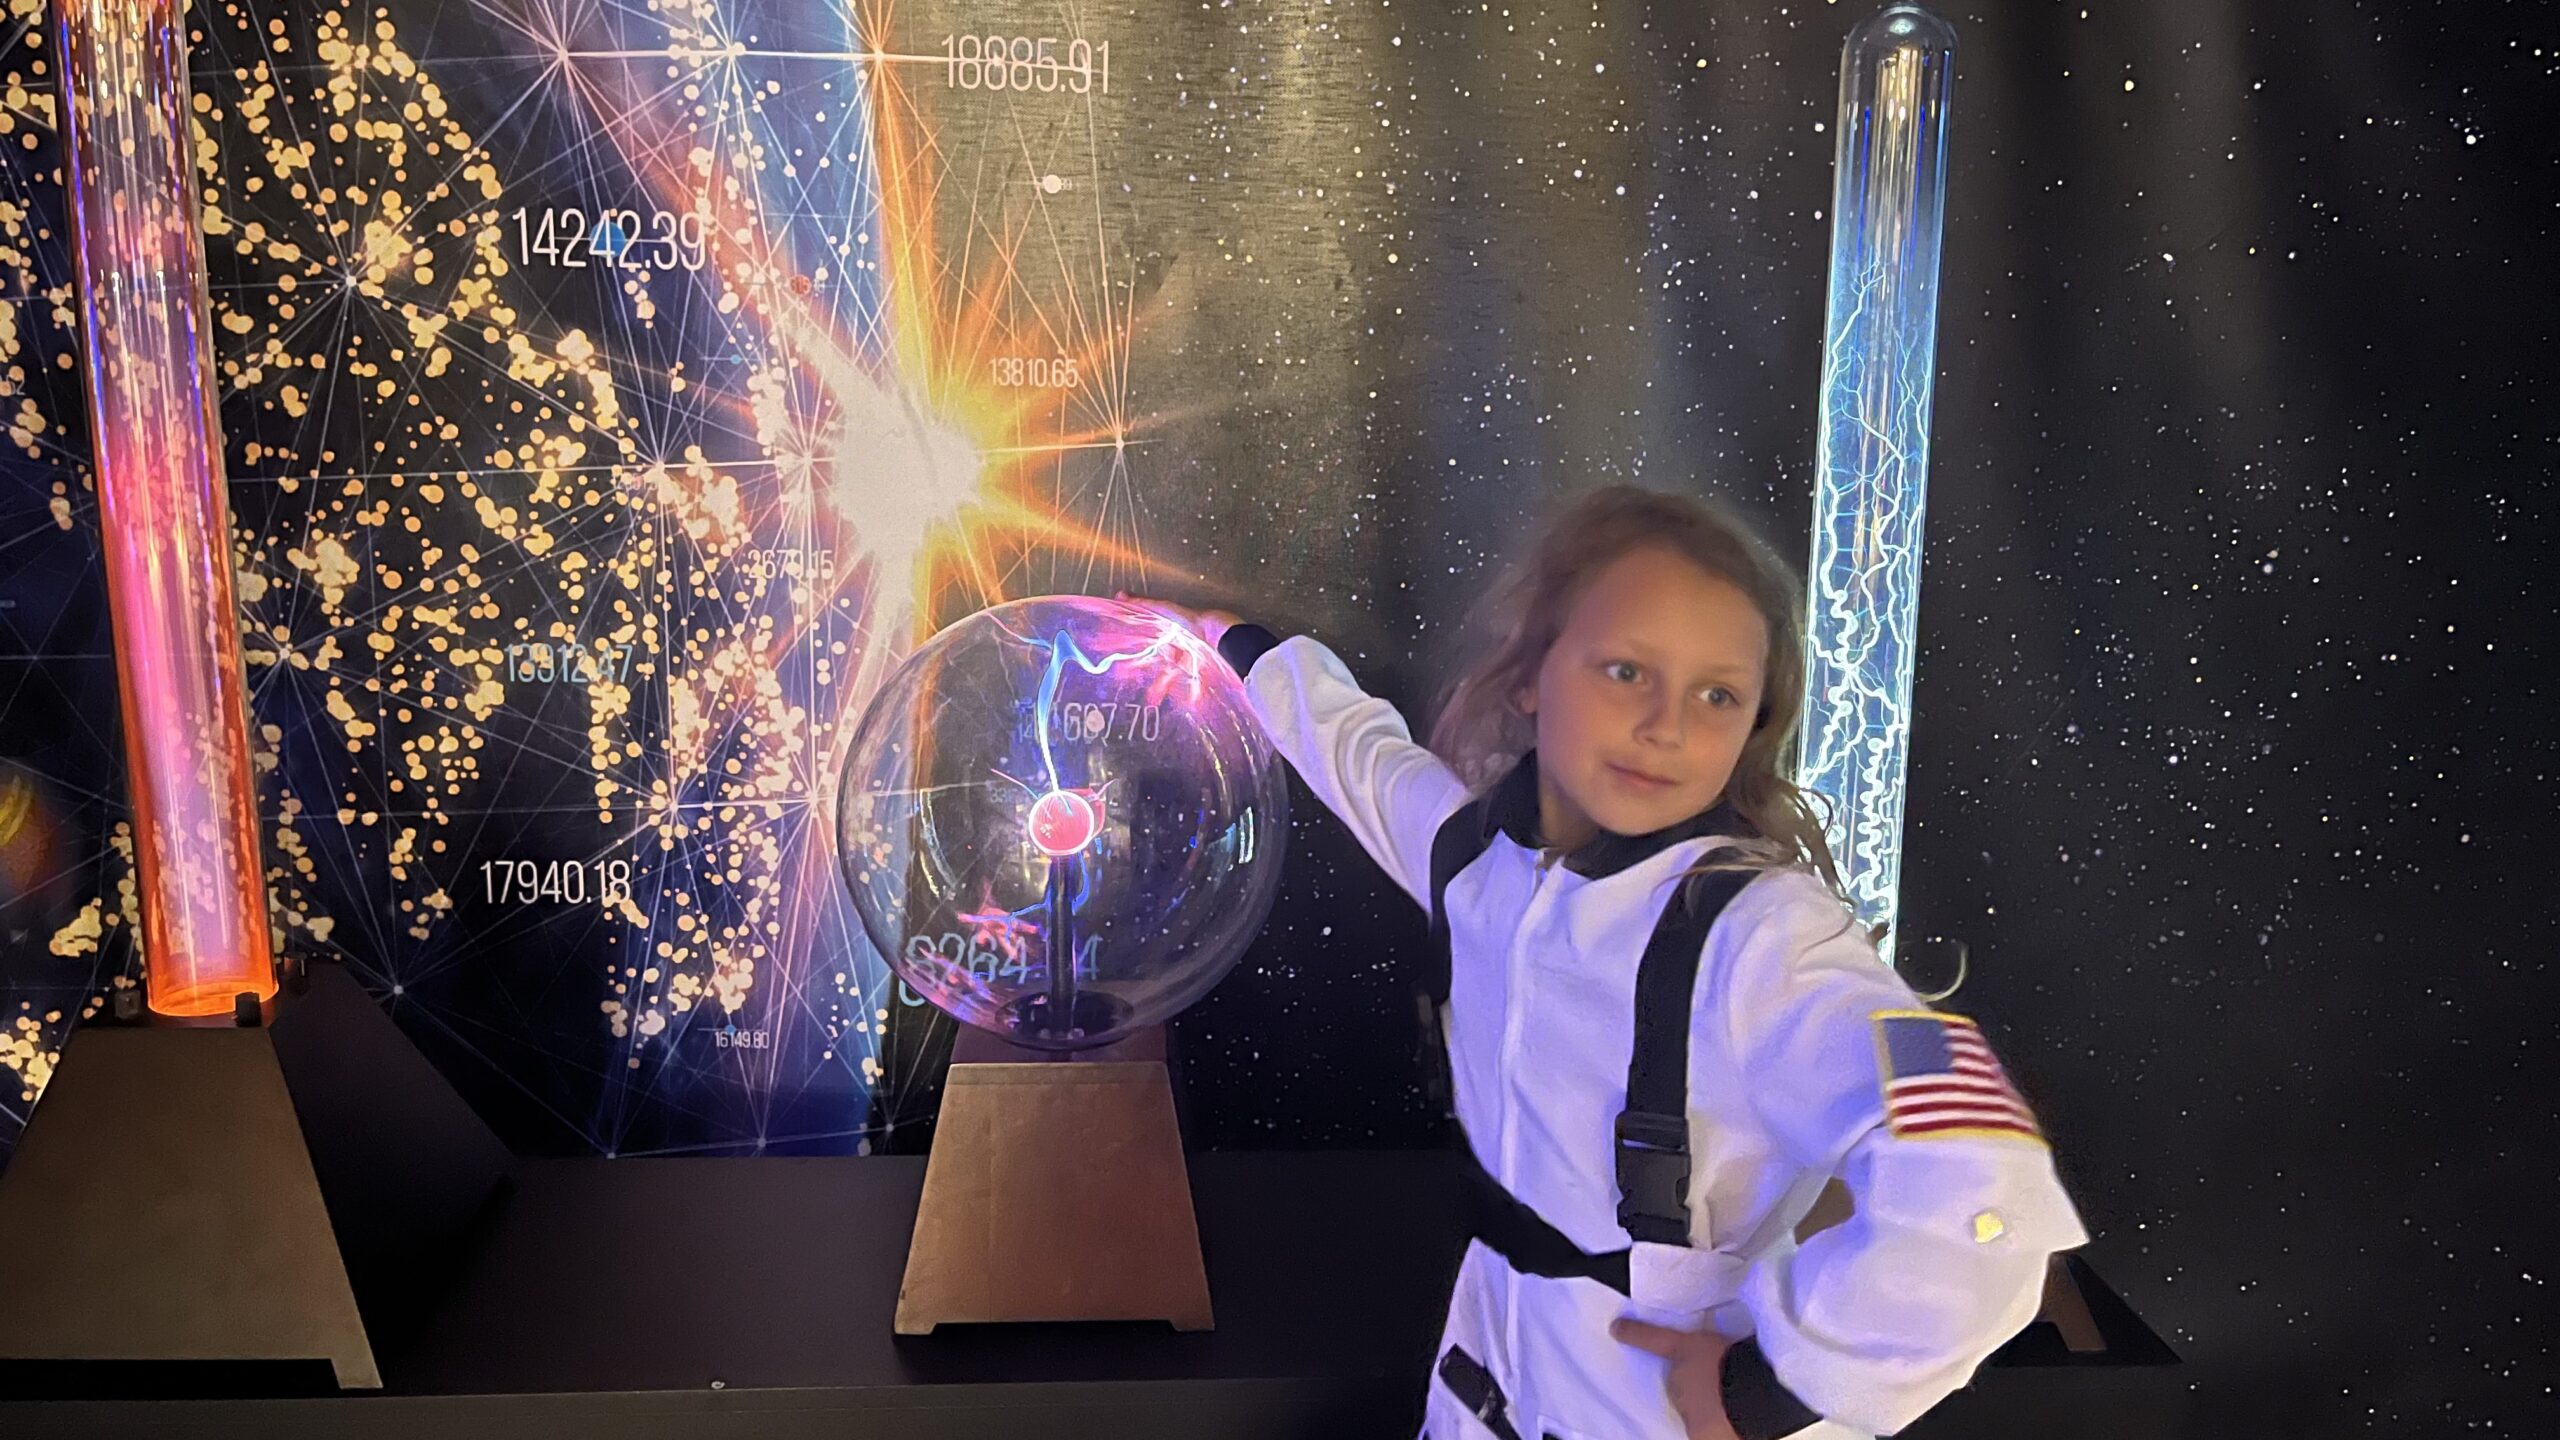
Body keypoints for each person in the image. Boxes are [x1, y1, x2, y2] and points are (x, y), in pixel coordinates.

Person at [1129, 484, 2087, 1440]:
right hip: (1483, 1379)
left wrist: (1773, 1389)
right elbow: (1352, 748)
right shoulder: (1474, 862)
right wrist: (1230, 642)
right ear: (1529, 679)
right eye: (1627, 671)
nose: (1668, 726)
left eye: (1717, 695)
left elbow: (1981, 1178)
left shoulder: (1767, 937)